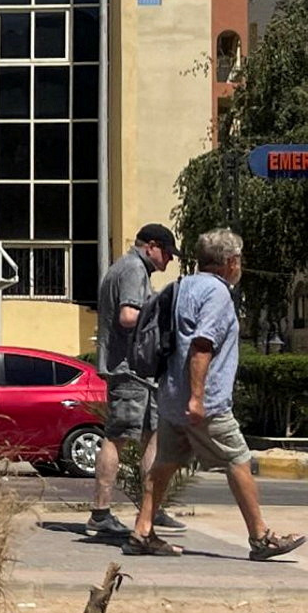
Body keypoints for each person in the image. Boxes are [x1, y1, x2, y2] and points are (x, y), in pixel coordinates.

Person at [125, 229, 305, 559]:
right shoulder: (218, 294)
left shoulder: (182, 286)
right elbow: (202, 345)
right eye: (240, 261)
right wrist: (197, 397)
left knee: (164, 464)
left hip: (170, 396)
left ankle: (142, 531)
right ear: (230, 262)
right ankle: (261, 537)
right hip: (204, 402)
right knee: (238, 460)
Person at [87, 224, 187, 537]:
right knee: (118, 436)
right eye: (168, 253)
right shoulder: (133, 269)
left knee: (153, 435)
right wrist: (161, 304)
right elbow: (128, 317)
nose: (169, 261)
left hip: (140, 371)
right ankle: (100, 513)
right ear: (152, 246)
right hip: (128, 368)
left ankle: (152, 509)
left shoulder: (127, 267)